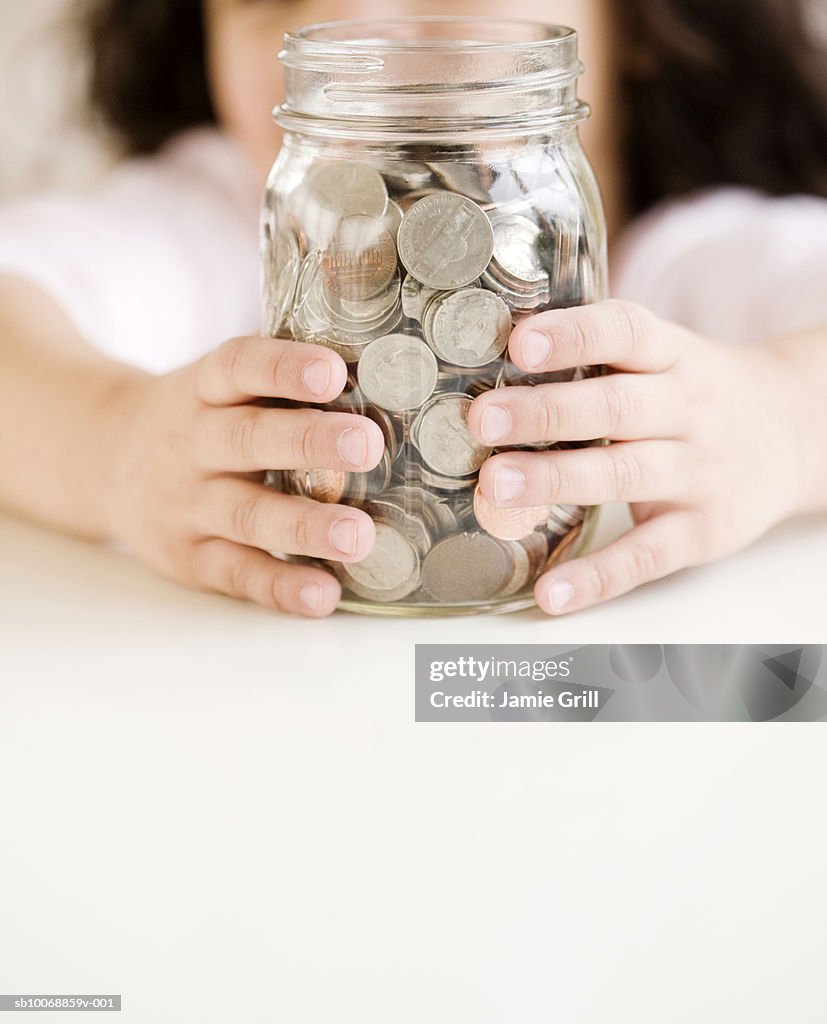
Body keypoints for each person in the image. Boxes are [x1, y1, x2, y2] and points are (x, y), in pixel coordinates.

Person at [0, 0, 826, 618]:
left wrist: (783, 418)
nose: (355, 33)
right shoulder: (209, 217)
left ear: (644, 21)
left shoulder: (706, 257)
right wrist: (111, 443)